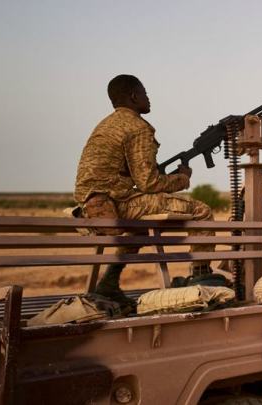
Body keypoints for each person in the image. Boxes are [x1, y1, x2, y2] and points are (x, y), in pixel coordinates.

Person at [74, 74, 215, 309]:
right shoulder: (137, 127)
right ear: (133, 96)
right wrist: (182, 179)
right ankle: (202, 277)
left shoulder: (107, 124)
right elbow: (148, 183)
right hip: (115, 203)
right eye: (145, 93)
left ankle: (108, 283)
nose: (149, 98)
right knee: (202, 211)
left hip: (91, 203)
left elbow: (128, 174)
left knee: (138, 229)